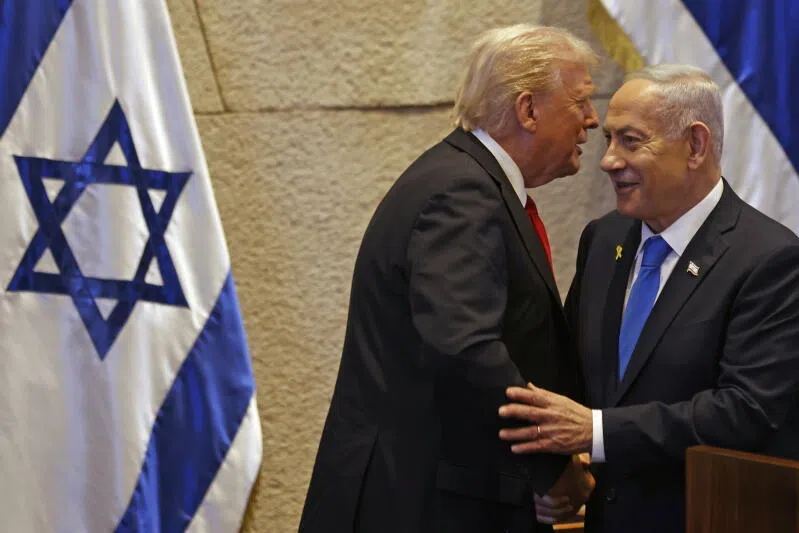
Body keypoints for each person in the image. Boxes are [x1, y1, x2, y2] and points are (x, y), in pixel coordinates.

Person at [299, 24, 599, 533]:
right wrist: (551, 466)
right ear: (528, 110)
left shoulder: (467, 181)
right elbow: (466, 348)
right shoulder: (462, 194)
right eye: (581, 102)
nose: (592, 120)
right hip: (419, 503)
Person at [498, 64, 799, 533]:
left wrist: (596, 432)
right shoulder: (603, 240)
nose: (609, 161)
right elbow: (570, 371)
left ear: (695, 146)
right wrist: (549, 476)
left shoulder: (770, 260)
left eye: (631, 141)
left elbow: (744, 411)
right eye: (609, 140)